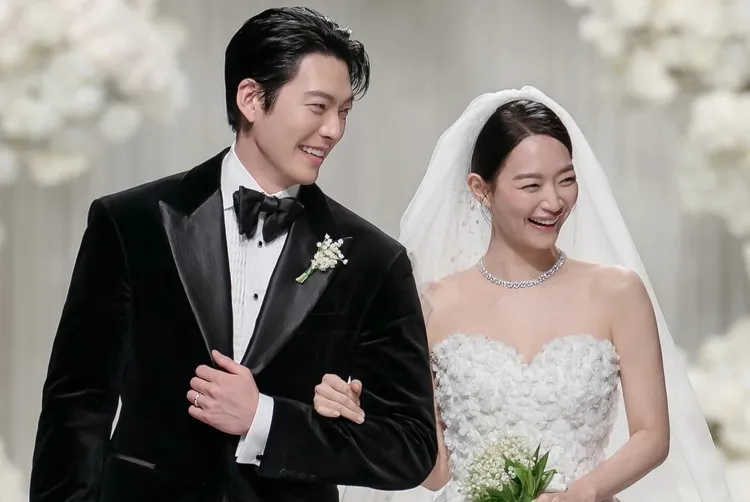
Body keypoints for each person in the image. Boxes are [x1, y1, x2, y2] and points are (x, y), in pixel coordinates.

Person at [29, 7, 437, 502]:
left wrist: (264, 420)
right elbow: (76, 406)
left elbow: (410, 446)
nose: (334, 130)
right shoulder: (129, 222)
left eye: (344, 111)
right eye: (318, 106)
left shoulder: (374, 260)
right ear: (251, 99)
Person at [319, 87, 733, 502]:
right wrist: (372, 417)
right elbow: (437, 471)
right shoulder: (433, 306)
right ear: (481, 189)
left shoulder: (618, 293)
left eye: (566, 180)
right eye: (531, 185)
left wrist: (581, 494)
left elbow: (652, 435)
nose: (553, 201)